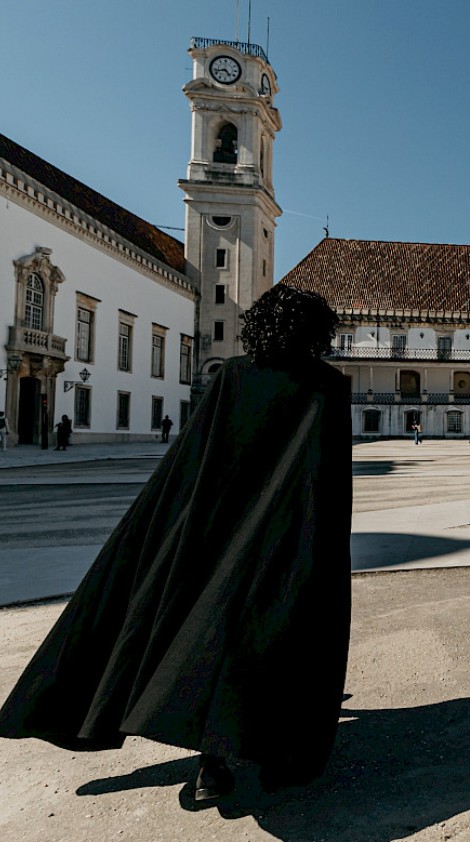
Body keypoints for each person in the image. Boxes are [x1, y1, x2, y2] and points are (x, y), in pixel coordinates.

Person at [0, 284, 352, 803]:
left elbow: (192, 463)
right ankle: (261, 751)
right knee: (274, 638)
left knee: (203, 631)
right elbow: (328, 478)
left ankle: (211, 765)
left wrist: (163, 526)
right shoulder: (328, 386)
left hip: (217, 528)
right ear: (316, 333)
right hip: (287, 531)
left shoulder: (232, 375)